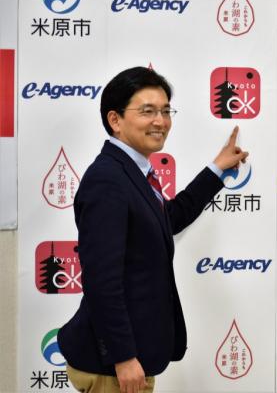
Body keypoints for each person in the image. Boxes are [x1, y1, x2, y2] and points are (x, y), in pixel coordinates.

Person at [58, 67, 248, 393]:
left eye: (165, 111)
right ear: (115, 120)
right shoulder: (107, 179)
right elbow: (102, 280)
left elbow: (166, 219)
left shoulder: (132, 171)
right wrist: (123, 357)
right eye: (147, 111)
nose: (160, 121)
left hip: (132, 357)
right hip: (112, 367)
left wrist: (216, 169)